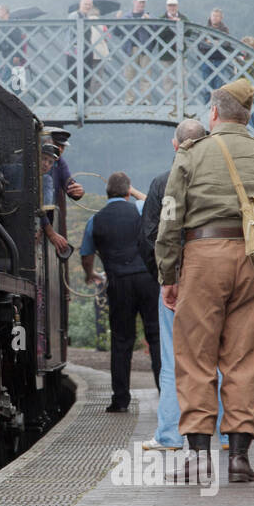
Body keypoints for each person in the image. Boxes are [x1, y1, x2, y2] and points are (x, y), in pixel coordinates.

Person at [155, 78, 254, 484]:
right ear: (247, 116)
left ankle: (199, 458)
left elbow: (170, 221)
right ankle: (238, 459)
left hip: (202, 258)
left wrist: (169, 274)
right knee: (245, 359)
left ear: (213, 113)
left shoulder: (191, 155)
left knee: (195, 356)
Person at [138, 119, 229, 451]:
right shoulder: (223, 179)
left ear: (175, 146)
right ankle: (223, 432)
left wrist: (166, 278)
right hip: (220, 277)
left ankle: (171, 434)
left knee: (175, 358)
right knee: (219, 354)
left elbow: (148, 236)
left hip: (177, 280)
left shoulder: (163, 182)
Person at [80, 171, 161, 412]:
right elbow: (151, 202)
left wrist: (90, 274)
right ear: (128, 192)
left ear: (106, 193)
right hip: (148, 280)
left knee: (121, 341)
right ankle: (165, 394)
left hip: (118, 283)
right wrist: (133, 191)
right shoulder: (138, 208)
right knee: (156, 337)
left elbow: (86, 255)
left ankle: (120, 400)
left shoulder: (95, 220)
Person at [48, 128, 84, 237]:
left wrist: (78, 191)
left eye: (62, 147)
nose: (59, 149)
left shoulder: (59, 163)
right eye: (56, 145)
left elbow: (69, 183)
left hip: (50, 215)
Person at [39, 141, 71, 258]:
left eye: (50, 162)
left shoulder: (46, 180)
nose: (46, 164)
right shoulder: (18, 170)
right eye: (43, 159)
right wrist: (51, 233)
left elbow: (43, 209)